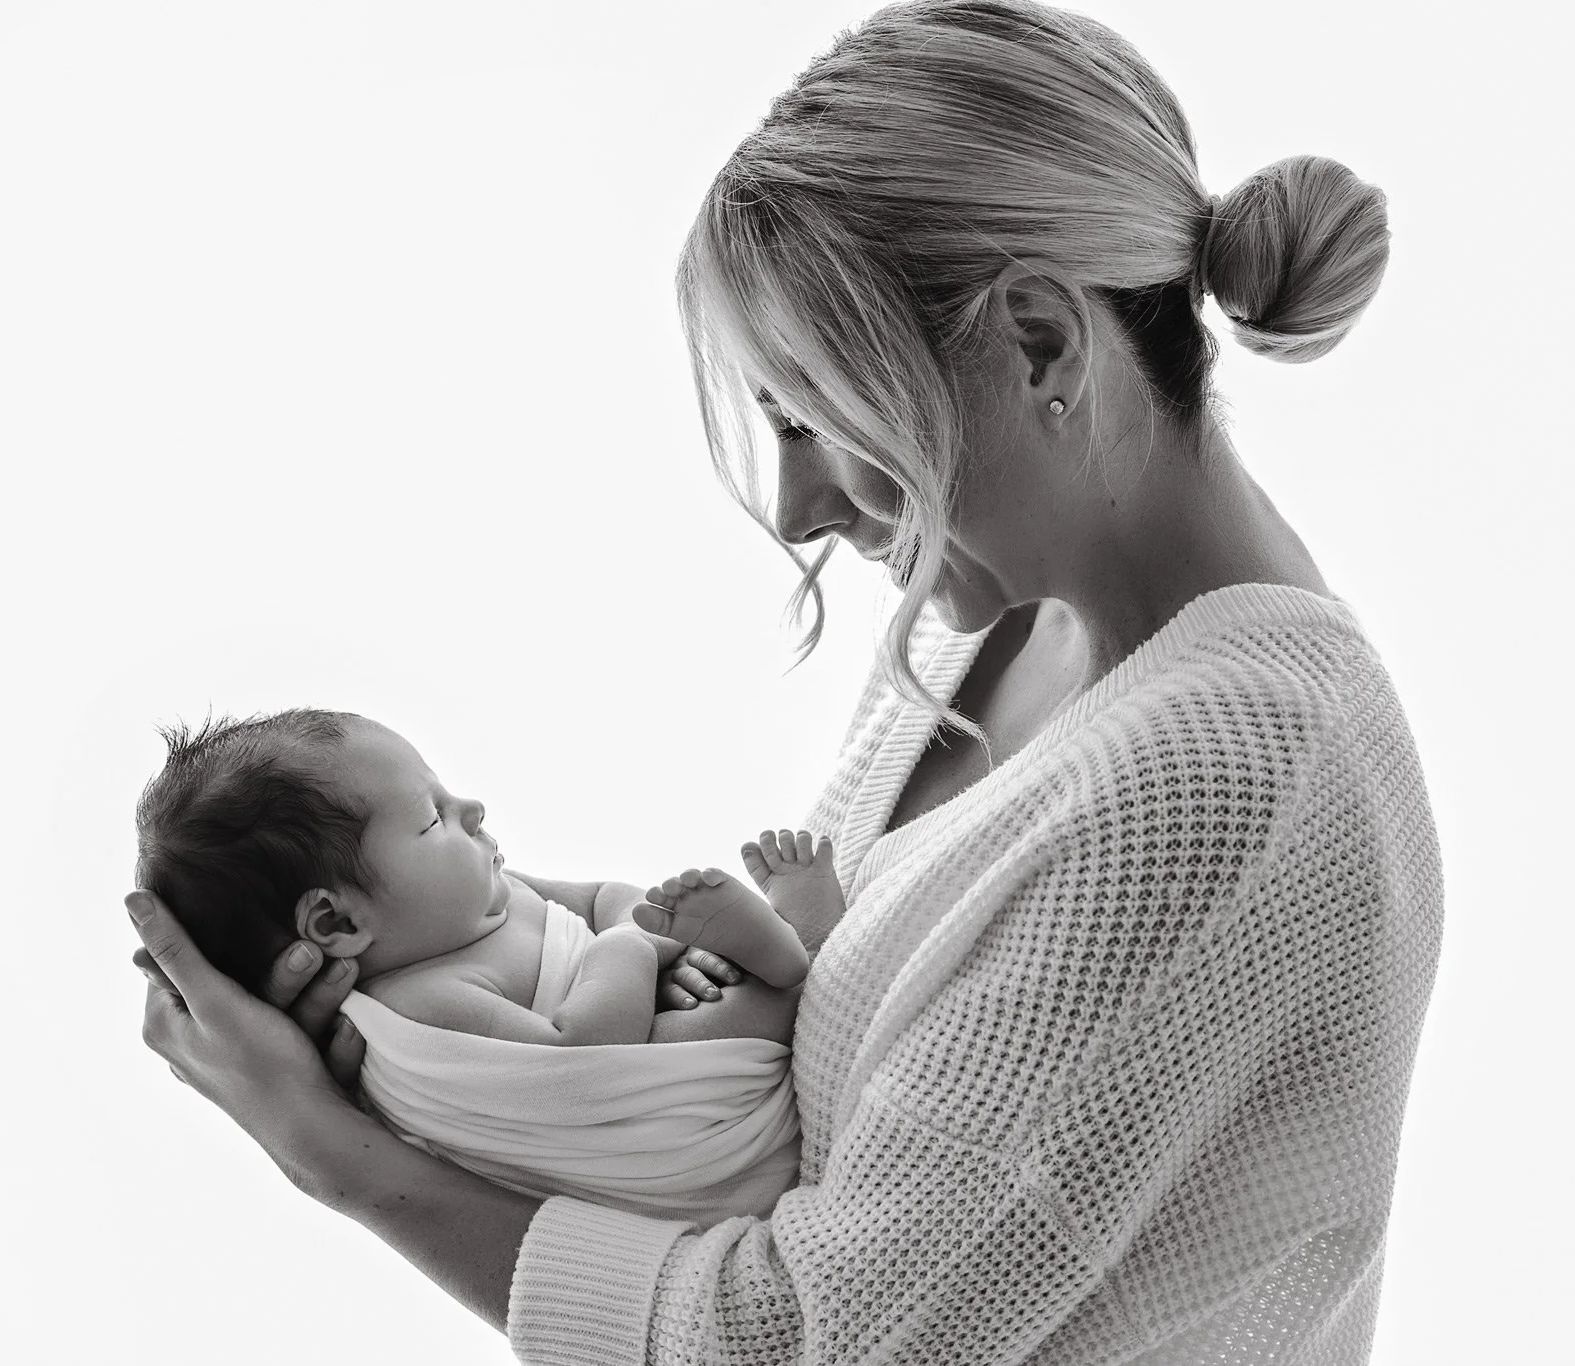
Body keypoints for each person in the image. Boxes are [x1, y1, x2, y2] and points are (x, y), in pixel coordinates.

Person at [127, 1, 1444, 1360]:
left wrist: (346, 1161)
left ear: (1040, 343)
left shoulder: (1231, 772)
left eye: (814, 416)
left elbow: (810, 1338)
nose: (802, 505)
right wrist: (446, 1003)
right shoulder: (981, 633)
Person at [132, 707, 833, 1224]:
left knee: (713, 977)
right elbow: (578, 1057)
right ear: (338, 922)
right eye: (433, 818)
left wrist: (639, 926)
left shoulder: (487, 895)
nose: (471, 809)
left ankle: (772, 949)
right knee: (743, 1018)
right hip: (679, 1139)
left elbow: (600, 898)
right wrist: (634, 949)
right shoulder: (422, 1003)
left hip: (647, 1008)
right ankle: (802, 941)